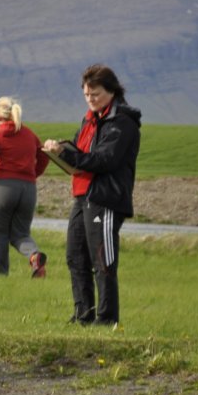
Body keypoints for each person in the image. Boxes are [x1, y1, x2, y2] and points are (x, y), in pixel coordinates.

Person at [43, 64, 141, 327]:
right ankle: (83, 314)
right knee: (75, 256)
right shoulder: (89, 119)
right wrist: (60, 148)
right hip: (82, 195)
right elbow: (80, 149)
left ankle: (107, 319)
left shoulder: (122, 123)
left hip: (106, 198)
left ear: (111, 91)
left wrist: (68, 154)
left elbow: (104, 160)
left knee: (103, 259)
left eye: (95, 94)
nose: (90, 99)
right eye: (87, 95)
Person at [0, 96, 50, 277]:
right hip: (28, 190)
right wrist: (33, 174)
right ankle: (34, 256)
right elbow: (44, 156)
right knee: (21, 233)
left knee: (0, 234)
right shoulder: (29, 134)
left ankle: (1, 276)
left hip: (3, 188)